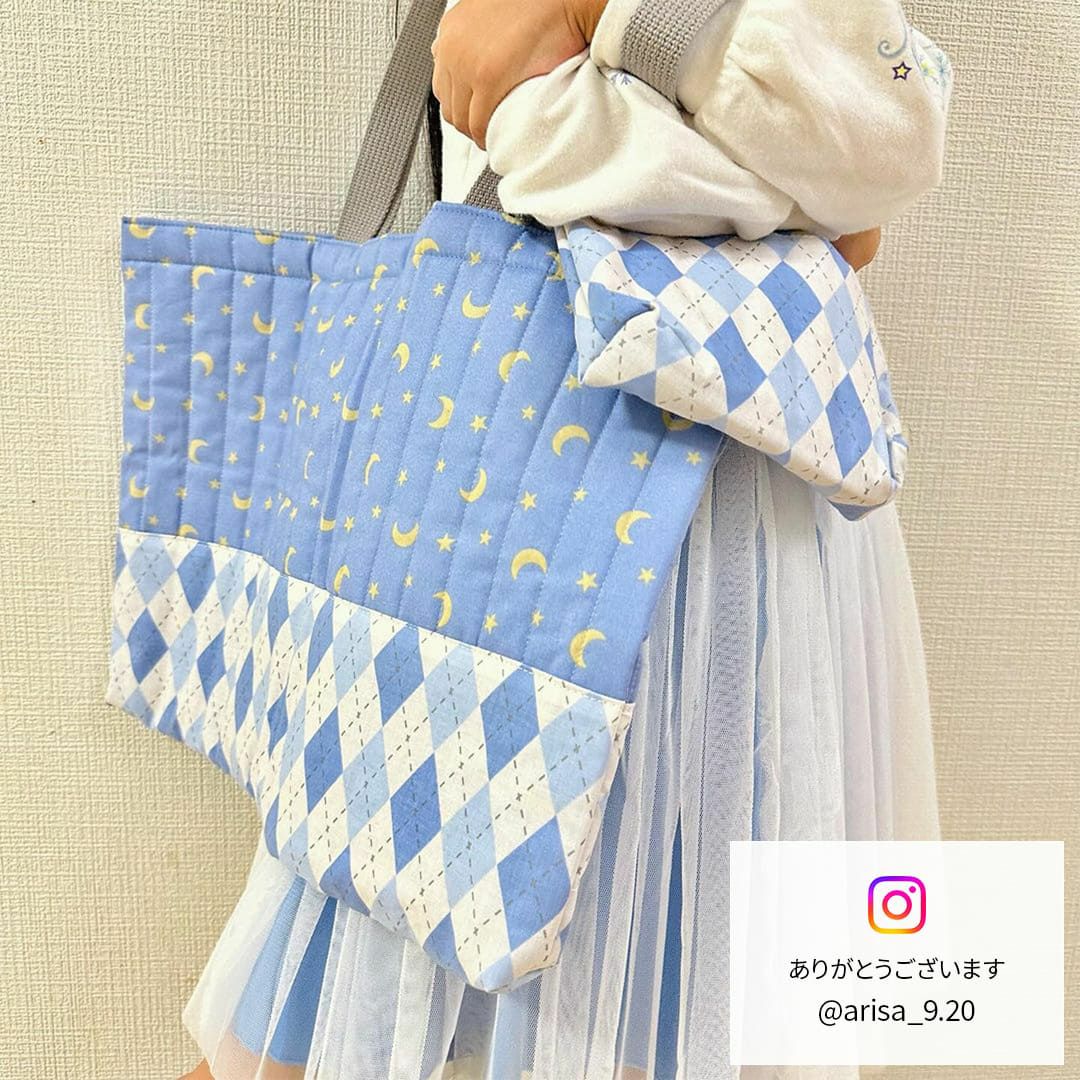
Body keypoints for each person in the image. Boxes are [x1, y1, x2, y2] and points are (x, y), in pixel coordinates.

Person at [181, 0, 953, 1076]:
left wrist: (590, 19)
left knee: (534, 948)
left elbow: (876, 154)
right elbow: (849, 206)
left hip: (654, 511)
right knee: (597, 961)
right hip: (570, 482)